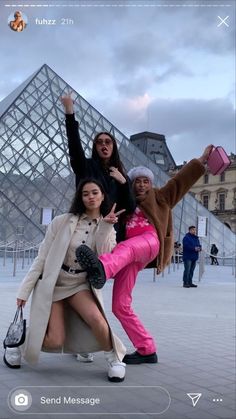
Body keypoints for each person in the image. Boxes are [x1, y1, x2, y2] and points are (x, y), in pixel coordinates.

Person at [75, 145, 213, 364]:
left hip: (149, 242)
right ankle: (147, 349)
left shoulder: (161, 197)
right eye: (137, 181)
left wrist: (201, 160)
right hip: (128, 256)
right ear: (131, 183)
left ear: (151, 183)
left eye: (145, 181)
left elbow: (180, 181)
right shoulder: (123, 202)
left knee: (126, 249)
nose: (141, 184)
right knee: (120, 305)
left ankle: (102, 268)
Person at [3, 179, 126, 382]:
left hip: (79, 284)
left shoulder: (108, 226)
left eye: (95, 192)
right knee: (54, 341)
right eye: (85, 193)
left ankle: (114, 359)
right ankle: (17, 344)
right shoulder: (61, 221)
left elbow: (105, 256)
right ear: (80, 197)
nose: (90, 197)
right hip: (54, 283)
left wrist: (104, 227)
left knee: (97, 320)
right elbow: (42, 257)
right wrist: (24, 291)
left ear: (103, 195)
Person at [61, 94, 135, 241]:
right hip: (87, 230)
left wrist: (124, 183)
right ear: (95, 147)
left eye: (108, 142)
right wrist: (69, 112)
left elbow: (131, 207)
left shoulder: (121, 176)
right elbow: (74, 146)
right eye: (99, 142)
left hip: (113, 234)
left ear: (114, 147)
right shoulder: (85, 167)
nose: (104, 145)